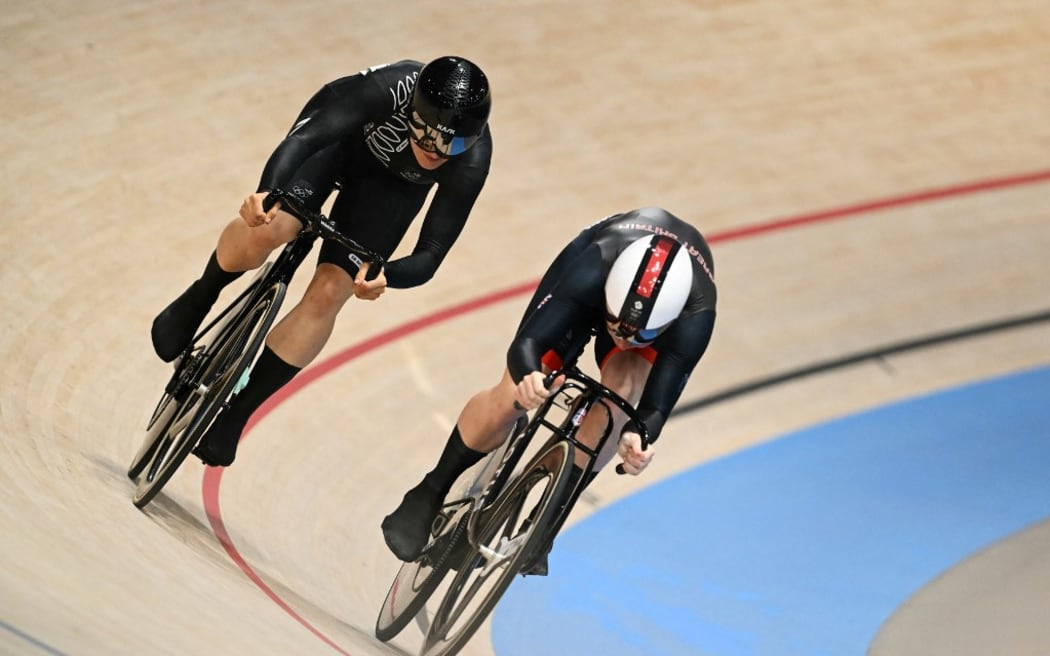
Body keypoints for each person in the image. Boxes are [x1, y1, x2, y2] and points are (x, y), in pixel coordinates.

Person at [150, 56, 493, 467]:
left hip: (392, 188)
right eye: (426, 135)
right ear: (413, 113)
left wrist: (387, 276)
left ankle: (236, 416)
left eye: (451, 145)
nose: (436, 152)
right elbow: (305, 140)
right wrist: (266, 192)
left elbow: (431, 253)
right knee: (272, 227)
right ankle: (201, 295)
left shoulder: (472, 158)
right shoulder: (389, 89)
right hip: (335, 141)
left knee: (331, 291)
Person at [382, 207, 717, 574]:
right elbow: (528, 342)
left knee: (619, 401)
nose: (623, 337)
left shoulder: (695, 316)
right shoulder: (594, 266)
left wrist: (637, 439)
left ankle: (545, 527)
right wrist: (528, 375)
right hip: (590, 280)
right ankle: (430, 490)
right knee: (512, 392)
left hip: (642, 308)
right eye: (616, 325)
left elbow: (657, 405)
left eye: (640, 334)